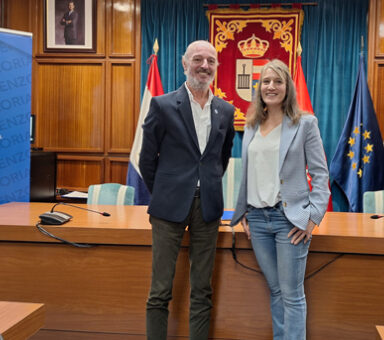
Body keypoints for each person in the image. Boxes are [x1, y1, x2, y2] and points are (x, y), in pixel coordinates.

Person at [139, 40, 235, 340]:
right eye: (197, 60)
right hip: (168, 208)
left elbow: (222, 158)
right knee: (160, 290)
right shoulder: (163, 105)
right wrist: (167, 192)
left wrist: (205, 186)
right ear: (185, 64)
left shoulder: (226, 110)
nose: (204, 66)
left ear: (217, 67)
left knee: (202, 289)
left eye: (210, 61)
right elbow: (146, 160)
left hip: (207, 208)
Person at [230, 59, 330, 340]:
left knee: (292, 294)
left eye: (278, 81)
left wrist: (312, 219)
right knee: (275, 290)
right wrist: (245, 213)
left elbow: (321, 176)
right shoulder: (251, 125)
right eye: (266, 82)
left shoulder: (305, 124)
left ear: (288, 88)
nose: (271, 87)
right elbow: (250, 174)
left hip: (289, 220)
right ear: (258, 87)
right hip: (257, 221)